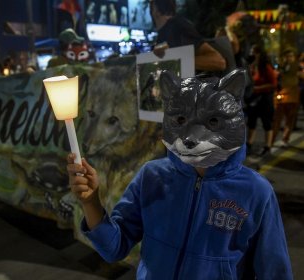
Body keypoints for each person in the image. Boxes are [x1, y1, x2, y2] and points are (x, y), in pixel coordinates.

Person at [66, 69, 292, 279]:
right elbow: (114, 248)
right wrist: (91, 203)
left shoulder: (256, 192)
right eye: (181, 120)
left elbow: (274, 270)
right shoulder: (151, 177)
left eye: (212, 121)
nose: (191, 135)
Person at [149, 0, 226, 73]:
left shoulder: (177, 27)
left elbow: (219, 62)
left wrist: (176, 62)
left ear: (156, 9)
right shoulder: (162, 33)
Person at [245, 44, 277, 157]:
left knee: (266, 122)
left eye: (253, 51)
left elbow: (273, 84)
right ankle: (249, 144)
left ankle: (267, 146)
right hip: (254, 98)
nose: (251, 53)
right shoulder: (253, 66)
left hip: (265, 98)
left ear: (258, 53)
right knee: (251, 122)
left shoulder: (266, 67)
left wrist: (258, 88)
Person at [272, 48, 301, 147]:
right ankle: (271, 140)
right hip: (280, 96)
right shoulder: (281, 67)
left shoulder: (297, 66)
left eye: (291, 56)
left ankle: (285, 139)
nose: (289, 58)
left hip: (292, 95)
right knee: (277, 119)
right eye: (287, 56)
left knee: (290, 119)